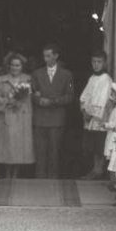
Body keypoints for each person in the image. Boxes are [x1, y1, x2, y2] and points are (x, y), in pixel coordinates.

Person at [31, 43, 74, 179]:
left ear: (56, 56)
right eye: (44, 56)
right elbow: (31, 93)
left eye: (49, 56)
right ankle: (40, 179)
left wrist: (53, 101)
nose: (46, 59)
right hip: (40, 118)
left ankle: (53, 180)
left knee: (54, 151)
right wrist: (38, 100)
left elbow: (70, 96)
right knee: (40, 151)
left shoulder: (66, 75)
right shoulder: (37, 73)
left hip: (57, 118)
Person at [0, 52, 35, 179]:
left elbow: (33, 97)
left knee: (20, 147)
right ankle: (7, 174)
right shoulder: (0, 80)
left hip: (23, 117)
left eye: (18, 65)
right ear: (8, 66)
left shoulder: (28, 79)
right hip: (8, 115)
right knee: (8, 146)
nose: (15, 68)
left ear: (22, 66)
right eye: (13, 65)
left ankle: (16, 174)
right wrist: (8, 101)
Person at [79, 50, 112, 179]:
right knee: (92, 146)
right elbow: (84, 97)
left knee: (99, 146)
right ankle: (94, 169)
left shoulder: (106, 79)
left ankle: (99, 170)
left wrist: (91, 113)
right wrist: (84, 110)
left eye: (99, 62)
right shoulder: (92, 78)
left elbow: (102, 100)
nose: (96, 64)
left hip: (99, 118)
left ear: (105, 63)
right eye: (94, 62)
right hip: (89, 117)